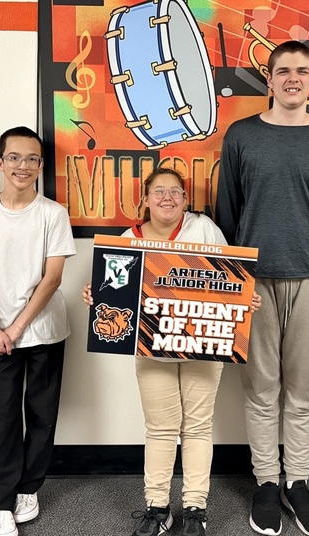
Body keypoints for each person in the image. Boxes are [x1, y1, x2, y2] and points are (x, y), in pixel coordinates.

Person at [82, 167, 261, 536]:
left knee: (197, 427)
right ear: (145, 199)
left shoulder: (204, 228)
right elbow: (114, 298)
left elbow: (230, 278)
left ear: (185, 199)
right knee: (161, 429)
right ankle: (158, 506)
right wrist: (96, 296)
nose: (167, 198)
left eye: (176, 192)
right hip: (152, 349)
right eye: (159, 191)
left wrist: (245, 300)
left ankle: (196, 507)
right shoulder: (127, 240)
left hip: (201, 345)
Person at [215, 40, 309, 536]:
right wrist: (232, 280)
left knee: (306, 390)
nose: (293, 78)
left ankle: (298, 481)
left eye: (303, 71)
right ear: (269, 80)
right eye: (283, 70)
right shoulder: (241, 135)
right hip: (253, 280)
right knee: (260, 388)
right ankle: (267, 482)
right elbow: (227, 210)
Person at [0, 127, 76, 536]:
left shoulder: (53, 213)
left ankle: (30, 487)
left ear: (41, 166)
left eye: (32, 159)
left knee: (42, 415)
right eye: (14, 158)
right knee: (5, 415)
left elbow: (52, 279)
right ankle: (0, 502)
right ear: (0, 162)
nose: (22, 166)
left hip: (46, 330)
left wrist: (18, 326)